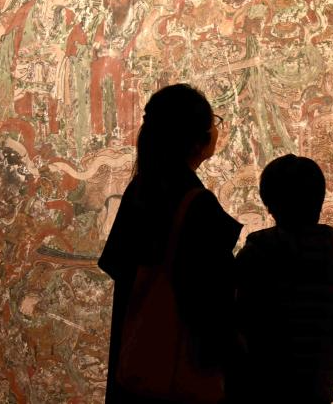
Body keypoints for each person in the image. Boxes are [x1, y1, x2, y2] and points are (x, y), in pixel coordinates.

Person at [98, 84, 242, 403]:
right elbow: (212, 300)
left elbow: (116, 264)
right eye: (213, 122)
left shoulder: (141, 188)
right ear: (197, 140)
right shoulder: (195, 204)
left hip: (137, 365)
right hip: (180, 374)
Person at [232, 154, 333, 403]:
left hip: (261, 385)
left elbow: (237, 321)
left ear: (269, 204)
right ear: (319, 201)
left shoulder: (254, 257)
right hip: (315, 387)